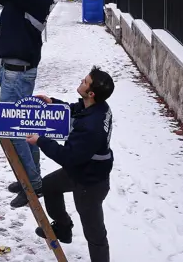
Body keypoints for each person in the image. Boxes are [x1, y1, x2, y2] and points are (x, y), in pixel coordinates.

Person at [0, 0, 55, 208]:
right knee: (26, 128)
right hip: (13, 71)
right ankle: (31, 177)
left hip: (18, 73)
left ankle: (31, 183)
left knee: (13, 130)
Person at [25, 68, 115, 262]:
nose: (82, 81)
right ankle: (63, 228)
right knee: (50, 185)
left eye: (85, 82)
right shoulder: (98, 106)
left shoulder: (91, 127)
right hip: (83, 169)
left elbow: (67, 156)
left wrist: (40, 140)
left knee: (94, 233)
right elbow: (77, 110)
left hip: (90, 183)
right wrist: (53, 103)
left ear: (91, 93)